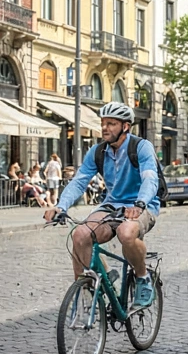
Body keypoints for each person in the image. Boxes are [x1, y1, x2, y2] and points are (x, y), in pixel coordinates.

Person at [45, 102, 162, 309]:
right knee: (80, 234)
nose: (105, 128)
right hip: (112, 204)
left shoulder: (141, 147)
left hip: (142, 204)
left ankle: (143, 277)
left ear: (125, 126)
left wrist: (140, 203)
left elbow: (150, 179)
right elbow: (80, 180)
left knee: (127, 233)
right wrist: (60, 206)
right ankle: (94, 284)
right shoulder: (98, 151)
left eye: (112, 123)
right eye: (103, 123)